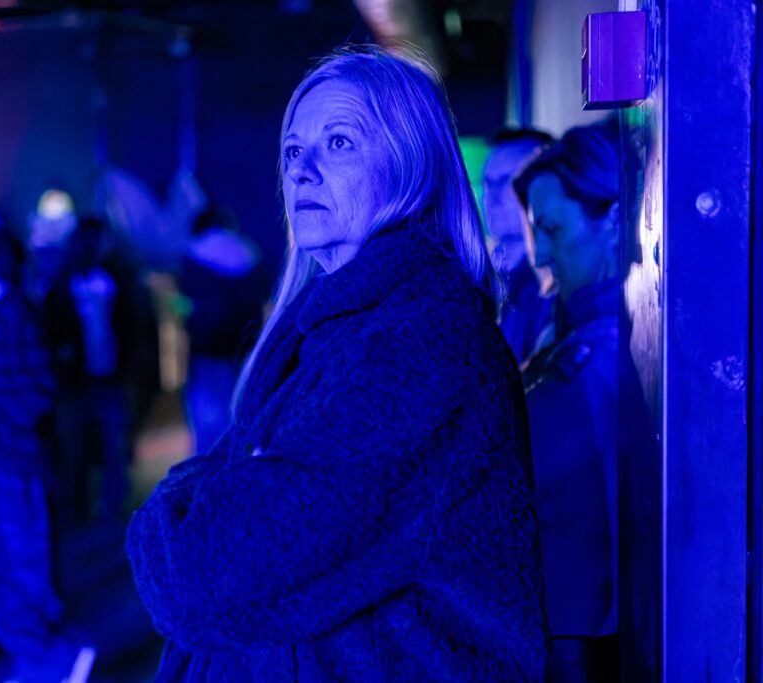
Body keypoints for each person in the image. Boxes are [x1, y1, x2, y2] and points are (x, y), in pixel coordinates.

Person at [126, 45, 547, 681]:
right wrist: (222, 491)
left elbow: (203, 573)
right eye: (293, 151)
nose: (302, 171)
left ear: (410, 162)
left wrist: (178, 503)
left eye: (340, 143)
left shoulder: (423, 345)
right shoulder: (335, 329)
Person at [512, 120, 623, 682]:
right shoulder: (567, 331)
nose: (542, 255)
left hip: (581, 636)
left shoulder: (610, 351)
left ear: (614, 222)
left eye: (553, 230)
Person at [0, 229, 97, 683]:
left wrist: (5, 425)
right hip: (3, 455)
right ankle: (40, 656)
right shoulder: (0, 314)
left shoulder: (15, 317)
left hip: (16, 459)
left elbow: (41, 389)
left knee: (20, 560)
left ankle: (54, 658)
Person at [44, 215, 155, 523]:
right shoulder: (64, 282)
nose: (108, 243)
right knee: (77, 443)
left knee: (113, 440)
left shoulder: (114, 275)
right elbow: (54, 327)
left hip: (110, 373)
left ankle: (114, 504)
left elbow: (129, 320)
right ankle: (77, 509)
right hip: (77, 378)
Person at [178, 205, 266, 453]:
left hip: (207, 348)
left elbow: (187, 301)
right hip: (245, 344)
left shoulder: (194, 254)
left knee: (208, 414)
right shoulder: (248, 251)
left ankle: (211, 462)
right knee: (242, 404)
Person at [482, 128, 556, 364]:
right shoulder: (476, 275)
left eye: (506, 181)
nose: (492, 196)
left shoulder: (555, 279)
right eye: (488, 183)